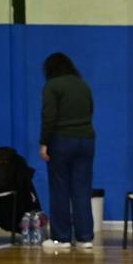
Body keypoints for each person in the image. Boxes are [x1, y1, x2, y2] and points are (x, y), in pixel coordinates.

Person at [39, 52, 96, 249]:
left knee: (60, 189)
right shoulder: (82, 84)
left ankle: (61, 238)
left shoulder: (52, 85)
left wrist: (44, 142)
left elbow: (49, 116)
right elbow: (90, 109)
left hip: (62, 140)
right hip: (87, 140)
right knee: (82, 190)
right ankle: (85, 237)